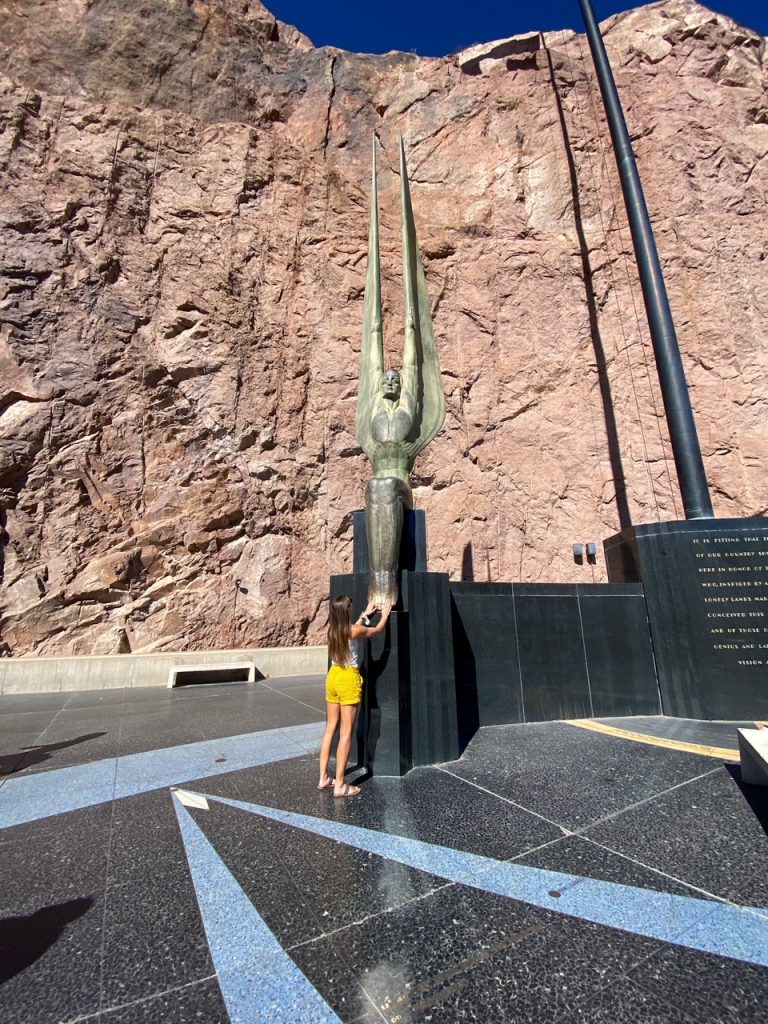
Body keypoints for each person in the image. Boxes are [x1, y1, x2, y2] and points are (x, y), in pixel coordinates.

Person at [318, 594, 391, 797]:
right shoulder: (353, 630)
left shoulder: (333, 630)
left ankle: (324, 777)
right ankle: (340, 785)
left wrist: (365, 614)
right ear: (347, 610)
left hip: (333, 676)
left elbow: (351, 629)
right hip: (348, 679)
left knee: (330, 729)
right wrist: (384, 615)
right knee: (346, 733)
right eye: (351, 606)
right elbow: (375, 631)